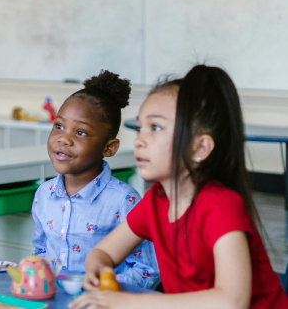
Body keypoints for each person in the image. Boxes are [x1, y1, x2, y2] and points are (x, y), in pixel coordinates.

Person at [71, 65, 288, 309]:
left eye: (155, 127)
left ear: (199, 148)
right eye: (140, 128)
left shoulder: (220, 206)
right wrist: (98, 270)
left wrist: (131, 302)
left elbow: (232, 301)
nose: (139, 140)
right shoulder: (155, 201)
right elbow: (103, 253)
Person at [31, 70, 159, 288]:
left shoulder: (123, 201)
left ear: (109, 148)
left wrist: (100, 289)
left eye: (80, 132)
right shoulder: (44, 194)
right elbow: (42, 252)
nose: (64, 139)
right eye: (59, 126)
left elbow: (146, 271)